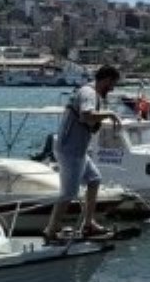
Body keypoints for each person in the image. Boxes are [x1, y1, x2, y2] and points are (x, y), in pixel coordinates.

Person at [42, 65, 121, 243]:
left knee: (94, 179)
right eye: (112, 84)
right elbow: (86, 116)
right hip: (70, 150)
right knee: (69, 193)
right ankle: (51, 230)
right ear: (106, 79)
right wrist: (110, 114)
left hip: (79, 150)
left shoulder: (94, 94)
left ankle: (88, 223)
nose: (113, 88)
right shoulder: (88, 93)